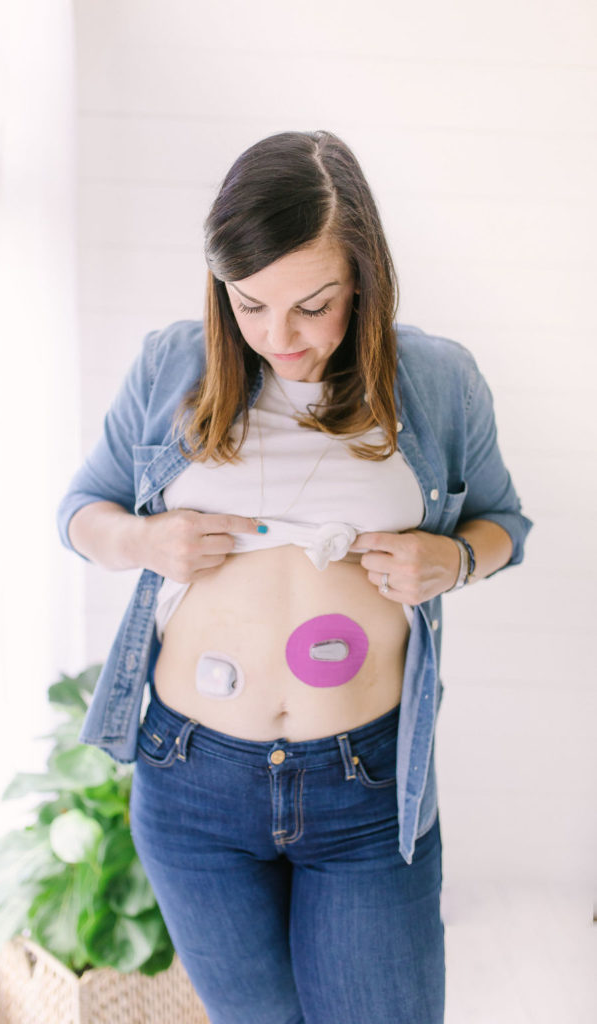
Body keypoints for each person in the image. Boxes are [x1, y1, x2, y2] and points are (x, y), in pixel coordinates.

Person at [57, 130, 532, 1024]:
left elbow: (506, 524)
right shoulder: (172, 365)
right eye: (249, 305)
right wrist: (144, 542)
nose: (281, 338)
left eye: (313, 306)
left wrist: (455, 557)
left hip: (362, 786)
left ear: (362, 278)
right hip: (191, 778)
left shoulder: (435, 382)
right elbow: (83, 511)